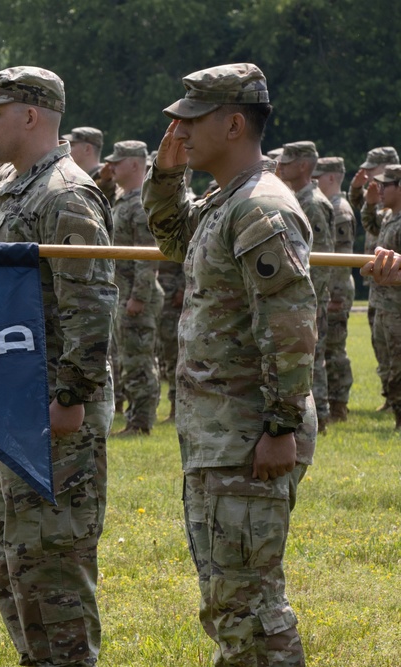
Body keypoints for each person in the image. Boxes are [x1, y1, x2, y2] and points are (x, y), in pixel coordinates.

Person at [143, 63, 316, 666]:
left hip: (249, 433)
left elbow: (290, 327)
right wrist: (165, 175)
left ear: (235, 123)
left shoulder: (260, 208)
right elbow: (173, 240)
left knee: (250, 605)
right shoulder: (227, 200)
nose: (179, 129)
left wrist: (279, 426)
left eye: (192, 119)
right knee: (229, 599)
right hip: (223, 432)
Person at [0, 66, 116, 667]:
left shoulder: (65, 195)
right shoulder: (13, 186)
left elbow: (92, 301)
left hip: (50, 406)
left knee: (52, 556)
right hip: (6, 400)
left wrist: (71, 395)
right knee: (12, 556)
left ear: (31, 116)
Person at [106, 140, 162, 435]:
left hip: (136, 296)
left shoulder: (140, 203)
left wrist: (138, 297)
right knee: (129, 358)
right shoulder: (125, 199)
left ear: (134, 165)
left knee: (138, 360)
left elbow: (147, 255)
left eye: (118, 161)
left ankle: (140, 423)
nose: (111, 166)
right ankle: (135, 419)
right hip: (124, 293)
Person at [277, 141, 334, 432]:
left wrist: (312, 299)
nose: (281, 164)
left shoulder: (313, 202)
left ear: (302, 165)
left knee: (314, 354)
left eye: (287, 160)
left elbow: (322, 259)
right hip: (299, 295)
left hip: (310, 296)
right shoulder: (298, 198)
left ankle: (321, 417)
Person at [350, 146, 398, 410]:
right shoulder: (383, 203)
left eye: (373, 170)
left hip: (393, 287)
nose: (368, 174)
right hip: (378, 282)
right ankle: (390, 396)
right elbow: (367, 218)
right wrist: (360, 193)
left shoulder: (393, 196)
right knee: (381, 341)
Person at [314, 157, 356, 423]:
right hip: (333, 287)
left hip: (337, 287)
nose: (313, 180)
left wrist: (336, 294)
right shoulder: (331, 206)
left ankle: (338, 405)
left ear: (331, 178)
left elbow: (341, 257)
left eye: (318, 176)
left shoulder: (340, 210)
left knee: (334, 350)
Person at [365, 166, 401, 430]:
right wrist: (367, 202)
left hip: (397, 306)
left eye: (385, 185)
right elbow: (369, 222)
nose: (380, 190)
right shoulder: (389, 217)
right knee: (388, 363)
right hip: (383, 304)